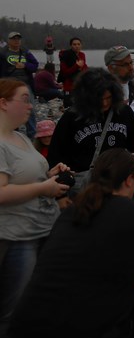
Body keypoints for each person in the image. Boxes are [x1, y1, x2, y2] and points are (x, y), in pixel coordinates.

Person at [8, 148, 134, 338]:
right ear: (130, 180)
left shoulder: (73, 212)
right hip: (84, 327)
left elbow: (102, 261)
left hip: (27, 325)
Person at [0, 78, 70, 336]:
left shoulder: (21, 137)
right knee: (13, 309)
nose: (30, 106)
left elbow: (30, 175)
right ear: (3, 103)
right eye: (24, 99)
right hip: (18, 238)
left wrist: (52, 173)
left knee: (40, 300)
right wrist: (44, 189)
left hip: (42, 230)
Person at [47, 68, 134, 196]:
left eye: (108, 98)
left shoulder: (123, 112)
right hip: (86, 185)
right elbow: (56, 157)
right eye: (99, 99)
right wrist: (61, 196)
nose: (105, 103)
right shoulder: (73, 117)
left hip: (117, 181)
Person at [0, 32, 38, 139]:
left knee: (29, 110)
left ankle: (32, 136)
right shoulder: (3, 53)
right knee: (9, 110)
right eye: (14, 39)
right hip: (9, 85)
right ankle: (11, 134)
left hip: (25, 85)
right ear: (9, 40)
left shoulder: (26, 52)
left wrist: (25, 65)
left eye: (18, 39)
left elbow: (35, 65)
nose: (16, 41)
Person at [105, 45, 134, 121]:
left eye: (131, 62)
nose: (131, 67)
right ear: (111, 68)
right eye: (125, 64)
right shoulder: (104, 95)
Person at [58, 37, 87, 108]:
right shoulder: (65, 55)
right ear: (71, 45)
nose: (77, 46)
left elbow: (84, 67)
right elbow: (65, 72)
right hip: (69, 85)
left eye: (78, 44)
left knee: (80, 106)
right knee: (69, 106)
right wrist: (76, 66)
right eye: (74, 44)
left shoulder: (82, 55)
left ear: (81, 45)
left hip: (79, 84)